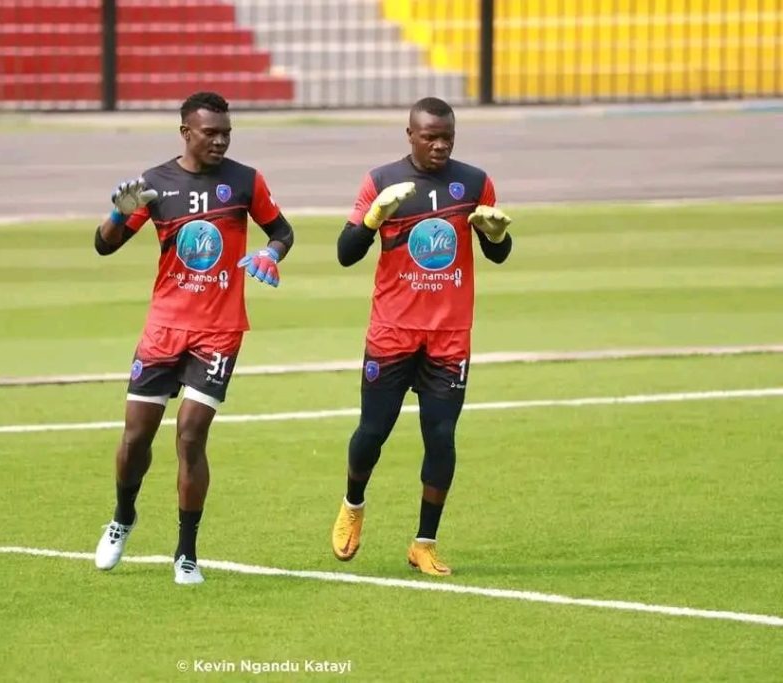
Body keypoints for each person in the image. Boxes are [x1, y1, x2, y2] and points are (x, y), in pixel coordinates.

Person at [92, 91, 294, 585]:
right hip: (164, 327)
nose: (221, 141)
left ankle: (186, 553)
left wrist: (270, 255)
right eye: (211, 133)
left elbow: (282, 232)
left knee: (190, 435)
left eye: (226, 132)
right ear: (186, 133)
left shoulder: (246, 181)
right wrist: (119, 214)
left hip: (219, 331)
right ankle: (122, 517)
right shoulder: (156, 183)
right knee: (136, 436)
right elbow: (104, 245)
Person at [330, 97, 513, 576]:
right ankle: (353, 504)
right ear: (409, 134)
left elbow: (499, 253)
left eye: (446, 137)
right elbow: (345, 253)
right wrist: (372, 219)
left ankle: (424, 543)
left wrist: (494, 234)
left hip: (449, 337)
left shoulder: (474, 182)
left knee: (441, 437)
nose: (439, 145)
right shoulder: (381, 181)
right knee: (373, 432)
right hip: (392, 332)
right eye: (429, 137)